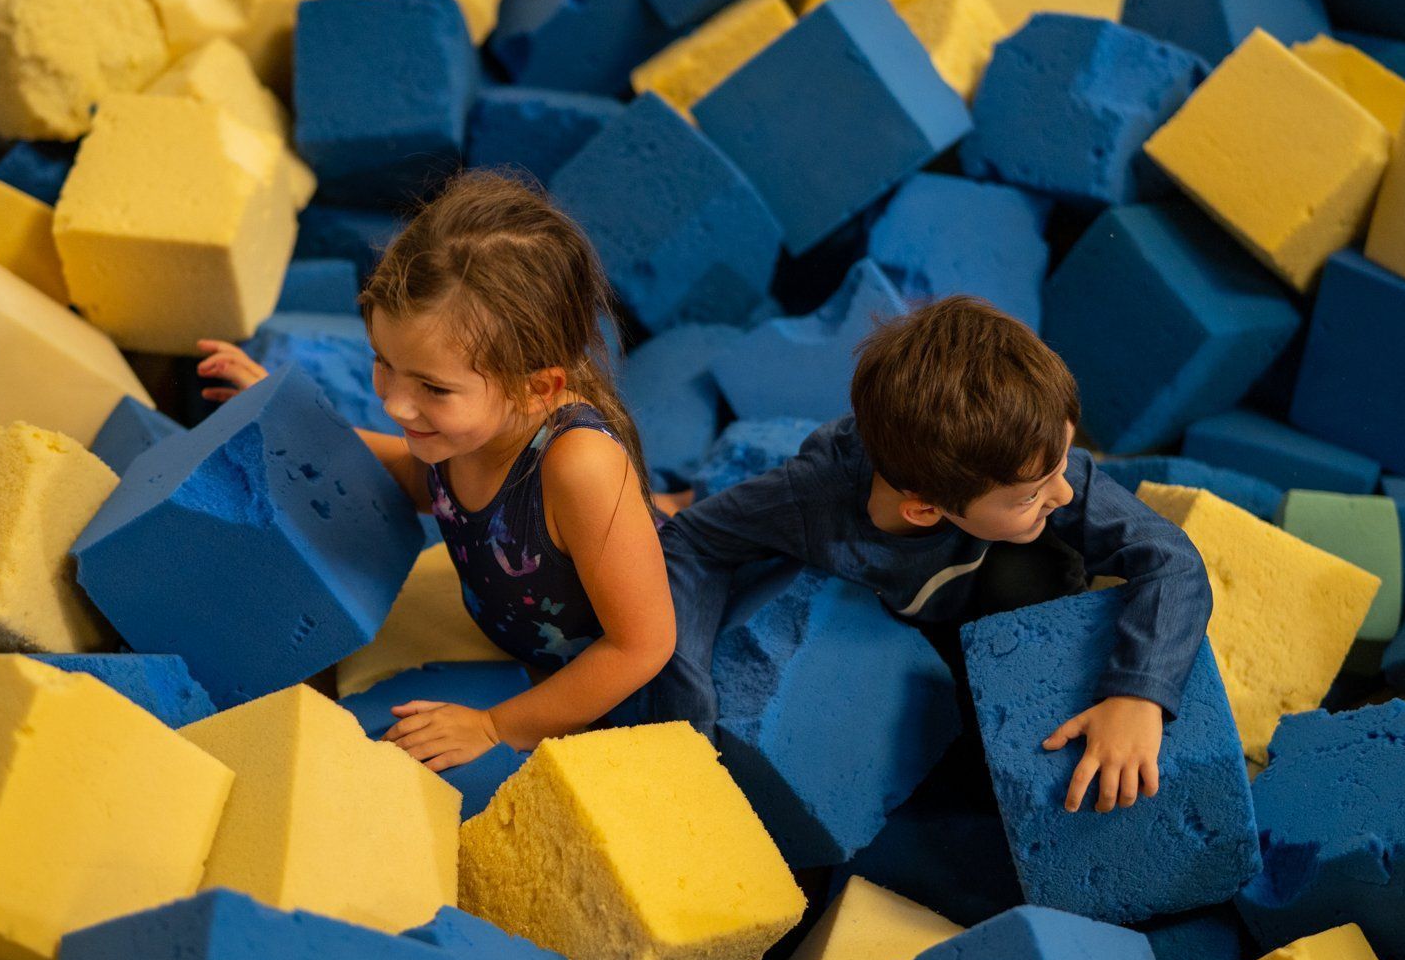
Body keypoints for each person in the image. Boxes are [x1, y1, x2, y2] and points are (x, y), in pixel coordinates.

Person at [194, 170, 676, 772]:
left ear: (537, 389)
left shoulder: (580, 465)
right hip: (511, 624)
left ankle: (675, 512)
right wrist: (281, 417)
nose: (395, 404)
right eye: (384, 362)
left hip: (590, 670)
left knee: (660, 539)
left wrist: (497, 725)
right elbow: (420, 481)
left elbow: (643, 645)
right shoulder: (468, 424)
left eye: (433, 387)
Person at [656, 295, 1213, 813]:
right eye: (1032, 495)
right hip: (909, 640)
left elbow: (1171, 560)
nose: (1063, 492)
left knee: (1028, 572)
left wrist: (1138, 695)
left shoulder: (1031, 457)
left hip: (1002, 597)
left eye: (1066, 462)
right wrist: (688, 717)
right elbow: (692, 544)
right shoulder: (812, 501)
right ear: (924, 510)